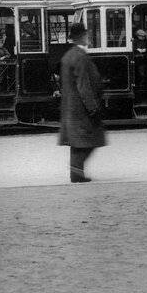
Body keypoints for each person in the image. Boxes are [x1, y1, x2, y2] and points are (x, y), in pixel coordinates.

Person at [57, 22, 106, 184]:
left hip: (70, 107)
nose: (88, 38)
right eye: (87, 35)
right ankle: (76, 172)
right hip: (81, 108)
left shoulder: (67, 55)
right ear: (82, 37)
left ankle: (76, 172)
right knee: (91, 139)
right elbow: (83, 85)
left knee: (77, 142)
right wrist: (93, 108)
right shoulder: (80, 56)